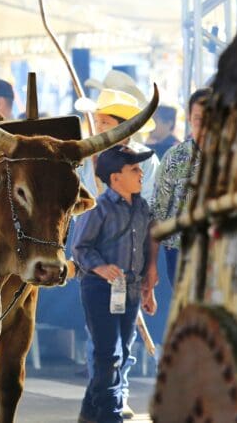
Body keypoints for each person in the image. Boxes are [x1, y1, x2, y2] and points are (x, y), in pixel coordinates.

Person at [72, 145, 158, 423]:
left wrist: (148, 287)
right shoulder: (98, 208)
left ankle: (89, 412)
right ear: (115, 178)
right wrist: (99, 266)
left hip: (130, 290)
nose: (140, 173)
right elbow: (80, 248)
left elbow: (144, 247)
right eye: (133, 169)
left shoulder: (142, 208)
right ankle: (111, 414)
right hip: (99, 289)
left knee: (122, 348)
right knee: (109, 353)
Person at [152, 88, 210, 286]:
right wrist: (151, 267)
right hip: (180, 253)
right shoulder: (175, 157)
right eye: (198, 118)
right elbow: (157, 214)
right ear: (189, 120)